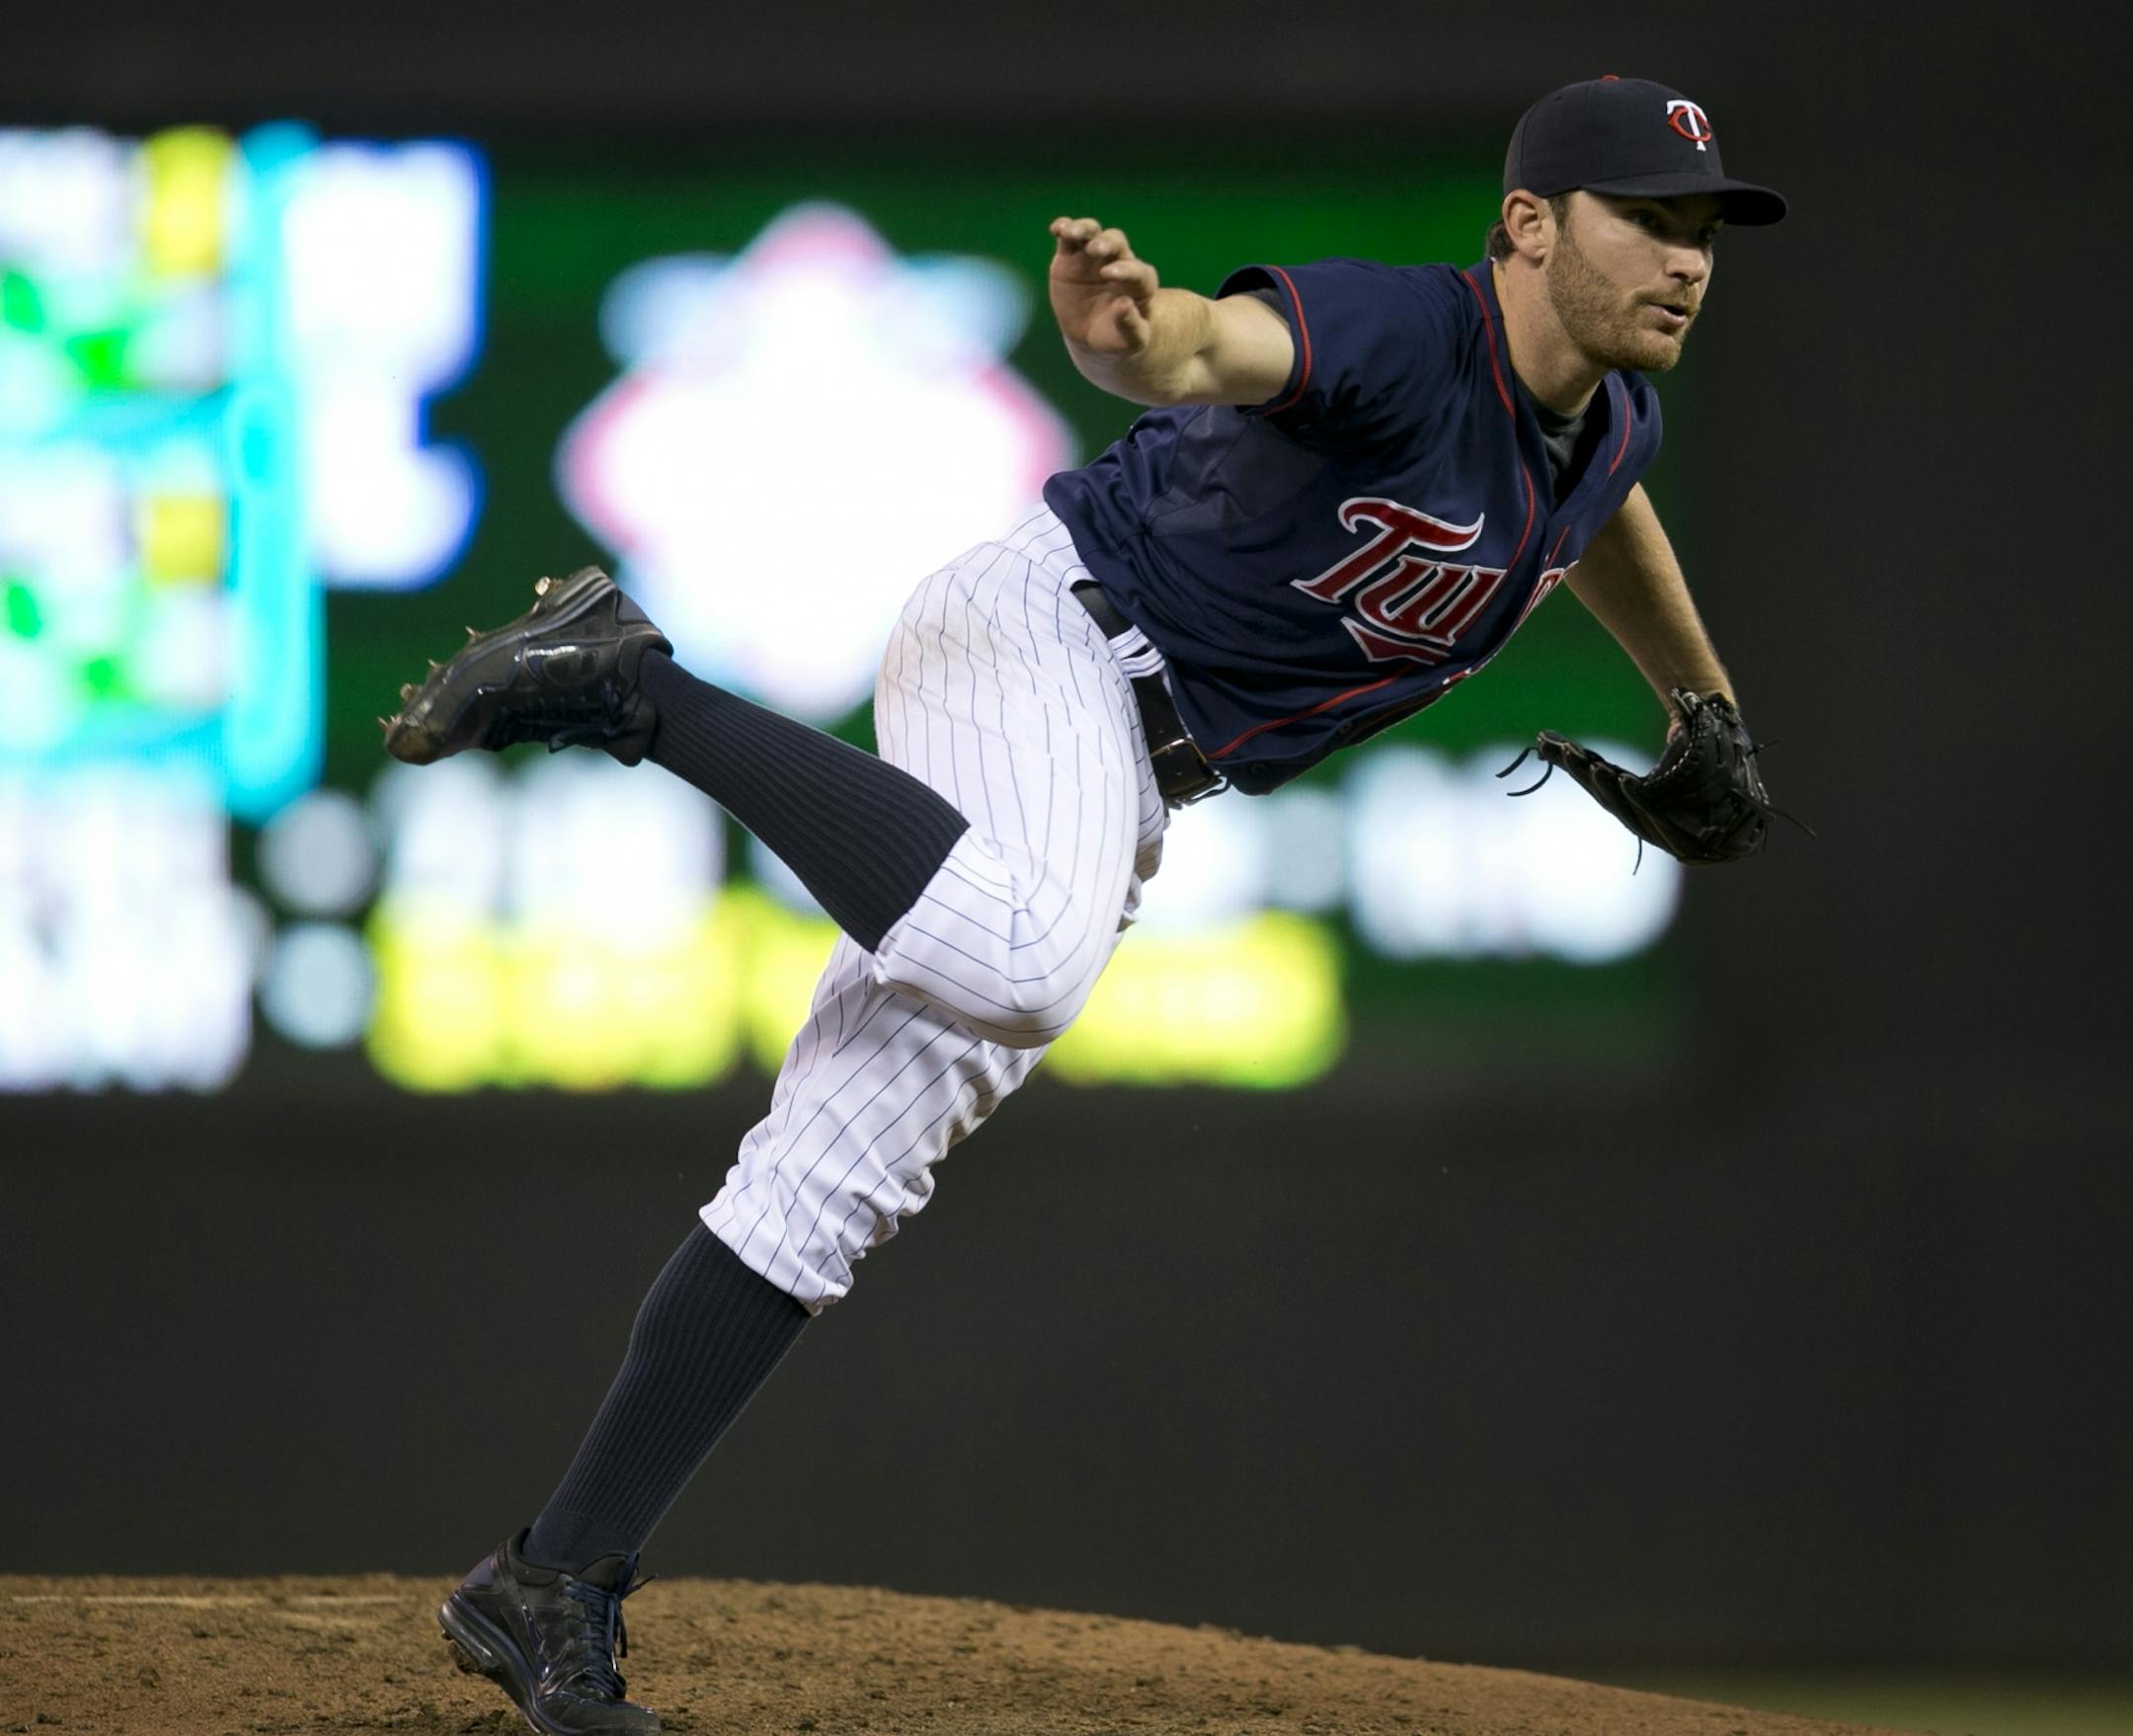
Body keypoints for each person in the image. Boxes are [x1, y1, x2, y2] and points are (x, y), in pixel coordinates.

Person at [387, 73, 1786, 1736]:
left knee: (833, 1176)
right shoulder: (1409, 334)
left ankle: (552, 1579)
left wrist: (1704, 705)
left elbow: (1603, 510)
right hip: (1046, 640)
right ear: (1530, 227)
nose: (1687, 258)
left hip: (1128, 761)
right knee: (1033, 957)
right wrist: (1132, 339)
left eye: (1703, 227)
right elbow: (1211, 350)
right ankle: (629, 686)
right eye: (1650, 218)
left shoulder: (1607, 408)